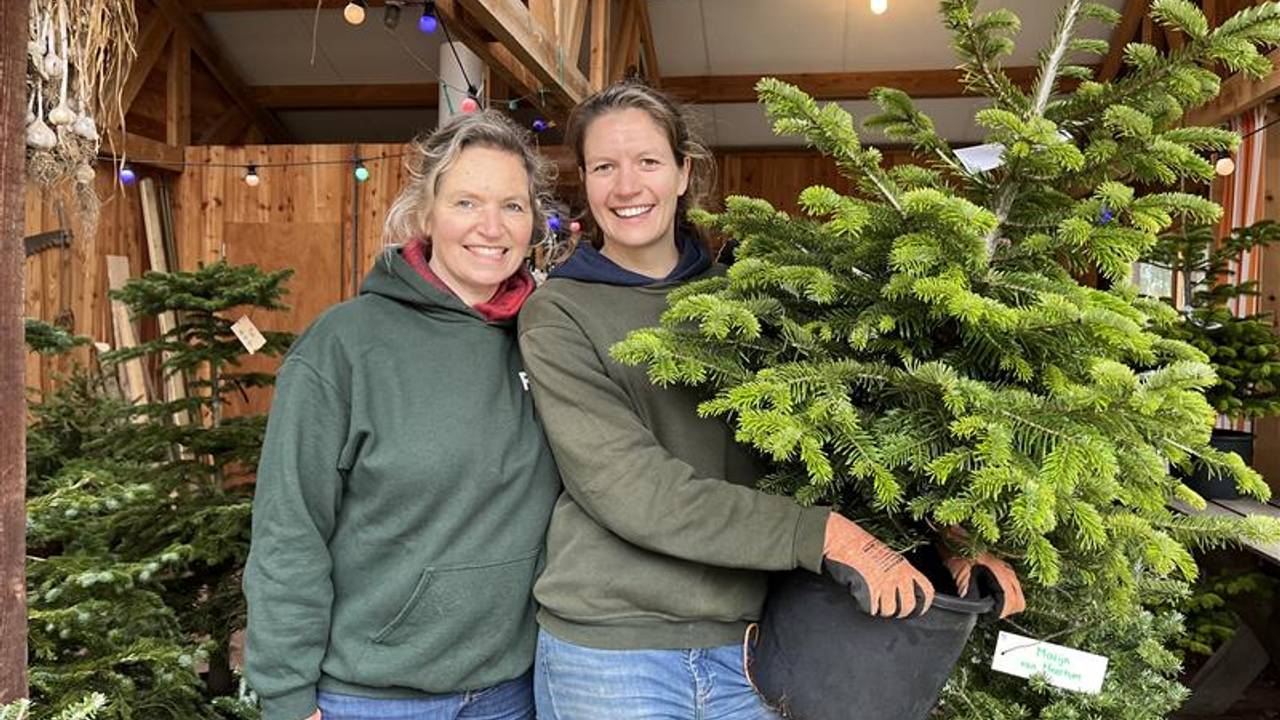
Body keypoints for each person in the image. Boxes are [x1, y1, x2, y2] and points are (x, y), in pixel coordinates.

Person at [516, 80, 1025, 720]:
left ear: (682, 172)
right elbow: (631, 487)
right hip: (616, 653)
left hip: (759, 647)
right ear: (585, 183)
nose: (626, 187)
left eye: (647, 161)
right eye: (603, 167)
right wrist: (824, 536)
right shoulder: (558, 314)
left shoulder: (756, 301)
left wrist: (942, 529)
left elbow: (846, 442)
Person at [244, 110, 561, 720]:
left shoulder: (548, 339)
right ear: (426, 212)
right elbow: (290, 528)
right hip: (370, 697)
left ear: (533, 223)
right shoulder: (345, 345)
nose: (491, 227)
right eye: (467, 202)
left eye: (512, 206)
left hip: (513, 691)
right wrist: (285, 695)